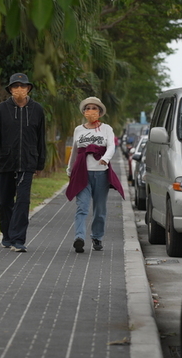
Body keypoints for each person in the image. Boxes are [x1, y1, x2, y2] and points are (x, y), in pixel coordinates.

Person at [0, 73, 46, 253]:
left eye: (23, 86)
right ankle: (7, 234)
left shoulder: (37, 110)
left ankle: (19, 239)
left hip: (27, 163)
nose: (19, 89)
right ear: (10, 89)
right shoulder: (2, 109)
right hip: (5, 162)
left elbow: (40, 138)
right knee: (4, 202)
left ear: (28, 89)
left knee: (23, 201)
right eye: (15, 86)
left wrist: (39, 163)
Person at [65, 97, 124, 253]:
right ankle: (79, 237)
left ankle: (97, 237)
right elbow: (75, 151)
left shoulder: (107, 129)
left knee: (100, 209)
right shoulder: (79, 130)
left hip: (101, 174)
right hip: (82, 173)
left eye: (94, 108)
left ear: (99, 112)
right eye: (87, 108)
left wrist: (105, 159)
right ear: (84, 112)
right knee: (82, 207)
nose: (90, 111)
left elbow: (111, 146)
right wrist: (70, 170)